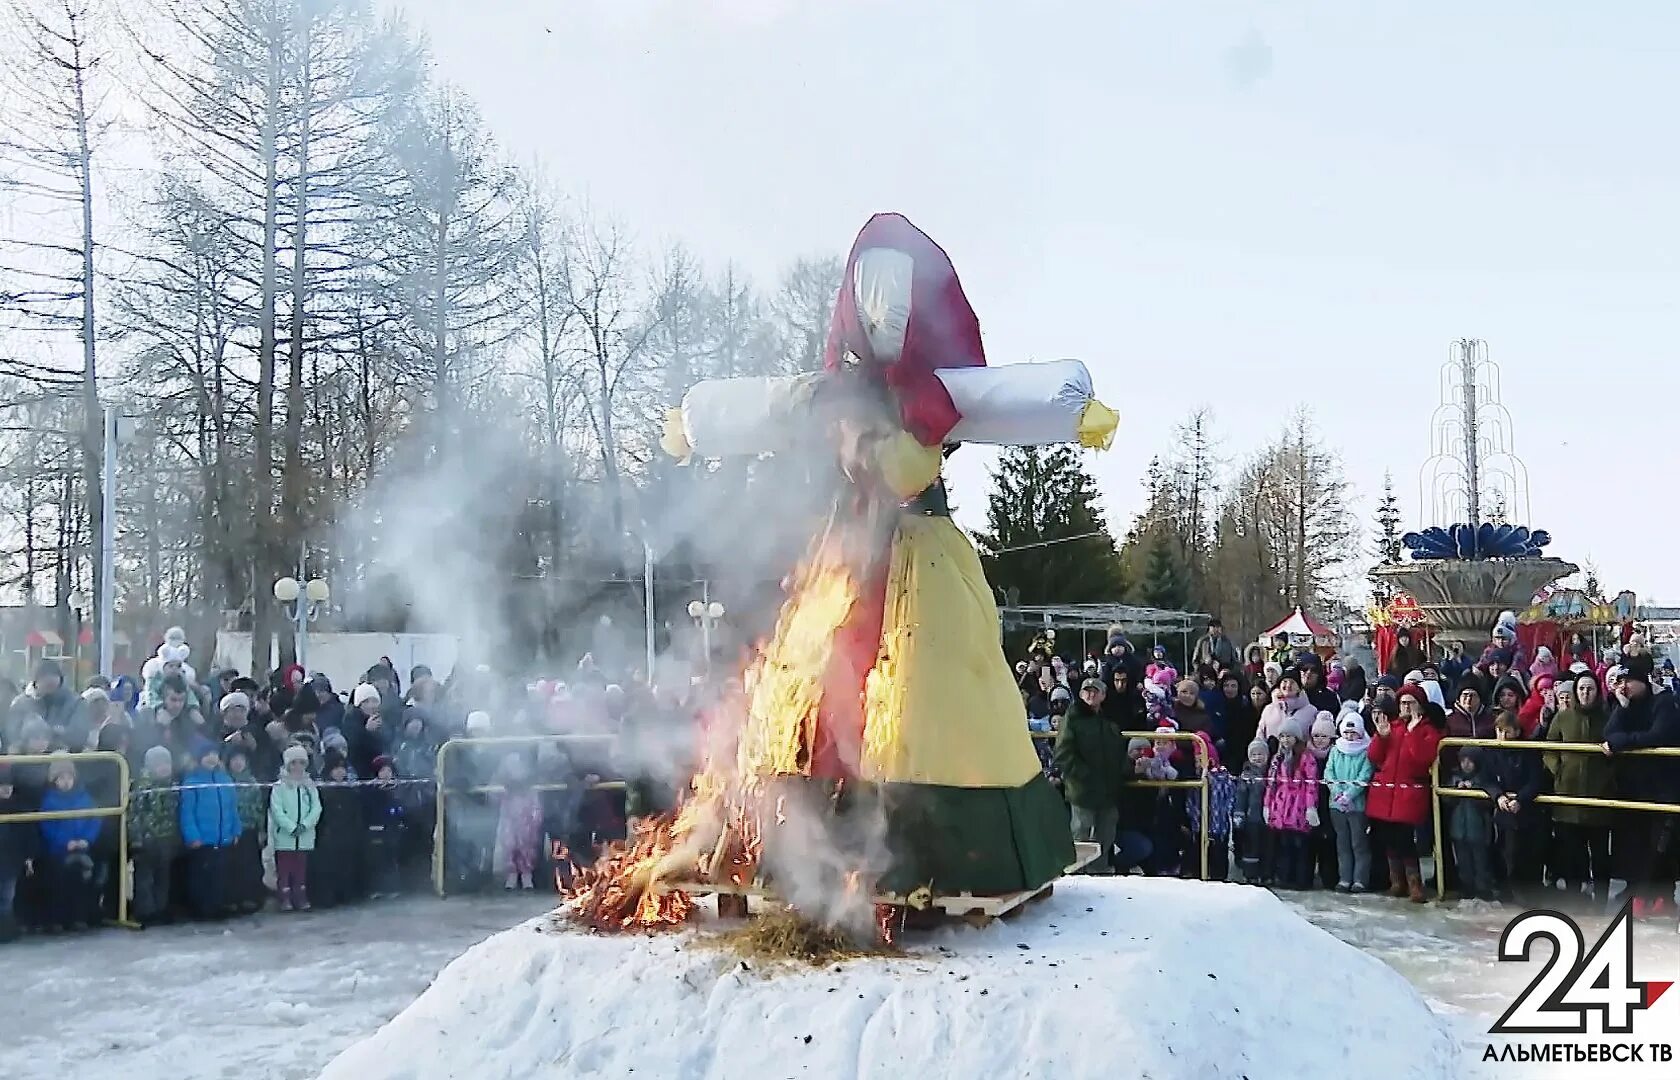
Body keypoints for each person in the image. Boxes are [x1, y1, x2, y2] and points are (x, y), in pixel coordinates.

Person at [1602, 655, 1680, 918]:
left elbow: (1657, 736)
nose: (1622, 687)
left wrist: (1624, 742)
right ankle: (1640, 893)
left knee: (1661, 846)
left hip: (1663, 788)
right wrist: (1621, 708)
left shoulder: (1664, 702)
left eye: (1627, 681)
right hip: (1634, 788)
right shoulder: (1626, 705)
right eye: (1619, 681)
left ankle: (1660, 897)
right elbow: (1610, 735)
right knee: (1636, 846)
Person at [1544, 671, 1615, 908]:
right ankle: (1575, 899)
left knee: (1600, 855)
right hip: (1568, 796)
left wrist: (1608, 771)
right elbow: (1549, 747)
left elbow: (1617, 750)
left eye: (1590, 689)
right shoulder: (1563, 718)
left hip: (1599, 798)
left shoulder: (1607, 718)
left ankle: (1601, 900)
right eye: (1582, 689)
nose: (1585, 693)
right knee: (1572, 853)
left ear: (1597, 691)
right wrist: (1558, 770)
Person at [1366, 686, 1444, 903]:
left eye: (1411, 702)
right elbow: (1374, 757)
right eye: (1403, 703)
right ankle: (1396, 881)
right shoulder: (1391, 727)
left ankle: (1414, 883)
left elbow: (1422, 758)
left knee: (1405, 840)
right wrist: (1380, 737)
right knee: (1388, 839)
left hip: (1408, 794)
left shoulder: (1428, 730)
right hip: (1386, 792)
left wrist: (1412, 732)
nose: (1406, 707)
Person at [1053, 678, 1123, 874]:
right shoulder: (1073, 717)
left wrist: (1122, 771)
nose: (1091, 694)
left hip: (1108, 788)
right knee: (1080, 833)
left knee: (1106, 834)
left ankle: (1099, 872)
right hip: (1082, 789)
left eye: (1095, 691)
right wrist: (1082, 775)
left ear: (1103, 695)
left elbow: (1118, 749)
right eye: (1087, 691)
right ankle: (1075, 874)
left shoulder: (1108, 718)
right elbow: (1063, 753)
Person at [1484, 710, 1545, 902]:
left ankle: (1529, 898)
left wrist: (1521, 799)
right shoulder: (1492, 752)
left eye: (1507, 732)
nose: (1502, 736)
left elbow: (1535, 780)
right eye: (1499, 731)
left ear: (1517, 731)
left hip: (1527, 813)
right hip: (1504, 812)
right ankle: (1509, 896)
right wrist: (1498, 796)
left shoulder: (1527, 751)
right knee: (1506, 855)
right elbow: (1487, 779)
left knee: (1527, 858)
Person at [38, 757, 104, 930]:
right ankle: (58, 919)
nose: (66, 782)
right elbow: (46, 827)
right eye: (61, 778)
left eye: (69, 777)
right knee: (58, 886)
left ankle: (79, 917)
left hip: (82, 849)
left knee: (81, 884)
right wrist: (64, 843)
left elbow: (95, 820)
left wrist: (86, 840)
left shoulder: (84, 797)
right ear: (54, 780)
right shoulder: (49, 801)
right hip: (57, 852)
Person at [178, 738, 241, 919]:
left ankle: (217, 905)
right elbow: (187, 813)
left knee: (219, 874)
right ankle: (201, 908)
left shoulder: (225, 779)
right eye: (207, 755)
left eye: (214, 755)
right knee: (201, 876)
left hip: (223, 838)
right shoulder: (192, 781)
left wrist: (236, 830)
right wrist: (192, 836)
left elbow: (232, 808)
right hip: (203, 839)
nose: (211, 758)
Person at [1262, 717, 1319, 889]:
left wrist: (1310, 806)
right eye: (1283, 736)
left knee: (1300, 845)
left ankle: (1301, 879)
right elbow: (1270, 783)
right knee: (1284, 845)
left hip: (1298, 805)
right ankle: (1285, 877)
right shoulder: (1277, 758)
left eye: (1289, 736)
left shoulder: (1305, 757)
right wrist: (1267, 805)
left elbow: (1311, 783)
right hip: (1281, 806)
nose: (1286, 740)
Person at [127, 746, 181, 926]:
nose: (164, 768)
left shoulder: (173, 785)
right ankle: (145, 911)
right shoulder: (142, 787)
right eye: (159, 764)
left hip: (166, 838)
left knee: (163, 876)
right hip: (147, 840)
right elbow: (134, 814)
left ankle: (161, 908)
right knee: (144, 878)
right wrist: (136, 839)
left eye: (167, 763)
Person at [1325, 712, 1374, 892]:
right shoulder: (1335, 750)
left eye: (1353, 733)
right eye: (1346, 732)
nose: (1349, 736)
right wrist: (1338, 794)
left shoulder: (1365, 752)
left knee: (1358, 843)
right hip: (1336, 805)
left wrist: (1350, 795)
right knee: (1342, 842)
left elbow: (1365, 775)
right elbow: (1329, 773)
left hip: (1357, 805)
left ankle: (1360, 879)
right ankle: (1344, 877)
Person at [269, 744, 321, 912]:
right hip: (285, 837)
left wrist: (305, 824)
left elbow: (316, 808)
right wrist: (291, 827)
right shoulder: (279, 786)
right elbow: (276, 810)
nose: (297, 767)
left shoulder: (309, 785)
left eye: (301, 762)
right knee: (284, 869)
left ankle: (301, 896)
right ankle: (284, 898)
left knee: (300, 869)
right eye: (294, 763)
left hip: (305, 836)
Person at [1446, 748, 1498, 901]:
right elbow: (1447, 801)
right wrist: (1457, 789)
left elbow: (1487, 805)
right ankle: (1467, 887)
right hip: (1458, 829)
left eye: (1469, 761)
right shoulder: (1454, 778)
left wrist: (1474, 789)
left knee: (1481, 861)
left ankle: (1483, 888)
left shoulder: (1485, 780)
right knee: (1463, 861)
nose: (1465, 764)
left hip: (1479, 830)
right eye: (1463, 761)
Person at [313, 751, 363, 908]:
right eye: (336, 768)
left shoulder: (350, 790)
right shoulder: (322, 790)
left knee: (347, 867)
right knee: (328, 869)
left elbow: (356, 814)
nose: (340, 772)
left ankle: (346, 894)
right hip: (329, 836)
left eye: (343, 768)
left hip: (347, 835)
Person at [222, 746, 267, 913]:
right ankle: (235, 899)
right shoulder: (225, 781)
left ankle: (253, 897)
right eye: (234, 760)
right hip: (232, 831)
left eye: (241, 760)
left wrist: (262, 829)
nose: (238, 763)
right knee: (234, 867)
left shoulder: (253, 782)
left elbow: (259, 808)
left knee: (252, 865)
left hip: (250, 830)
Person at [362, 755, 405, 898]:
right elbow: (368, 809)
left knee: (391, 860)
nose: (386, 774)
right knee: (377, 860)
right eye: (382, 771)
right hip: (376, 828)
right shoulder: (370, 789)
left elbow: (401, 808)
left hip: (392, 828)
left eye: (388, 770)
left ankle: (393, 888)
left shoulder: (397, 788)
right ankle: (377, 888)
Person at [0, 762, 34, 941]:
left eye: (8, 786)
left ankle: (6, 931)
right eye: (2, 786)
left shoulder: (20, 807)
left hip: (11, 860)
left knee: (7, 897)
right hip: (6, 857)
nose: (6, 789)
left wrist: (28, 857)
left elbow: (27, 834)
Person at [1233, 738, 1270, 884]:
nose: (1257, 758)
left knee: (1266, 847)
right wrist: (1239, 815)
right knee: (1251, 847)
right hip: (1251, 818)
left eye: (1260, 754)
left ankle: (1266, 873)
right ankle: (1250, 874)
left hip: (1268, 818)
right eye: (1254, 755)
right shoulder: (1246, 774)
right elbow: (1241, 796)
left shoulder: (1271, 772)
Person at [1258, 670, 1317, 747]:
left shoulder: (1311, 711)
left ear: (1299, 688)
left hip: (1300, 756)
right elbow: (1260, 734)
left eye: (1292, 682)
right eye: (1285, 681)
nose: (1288, 685)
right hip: (1272, 757)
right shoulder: (1269, 709)